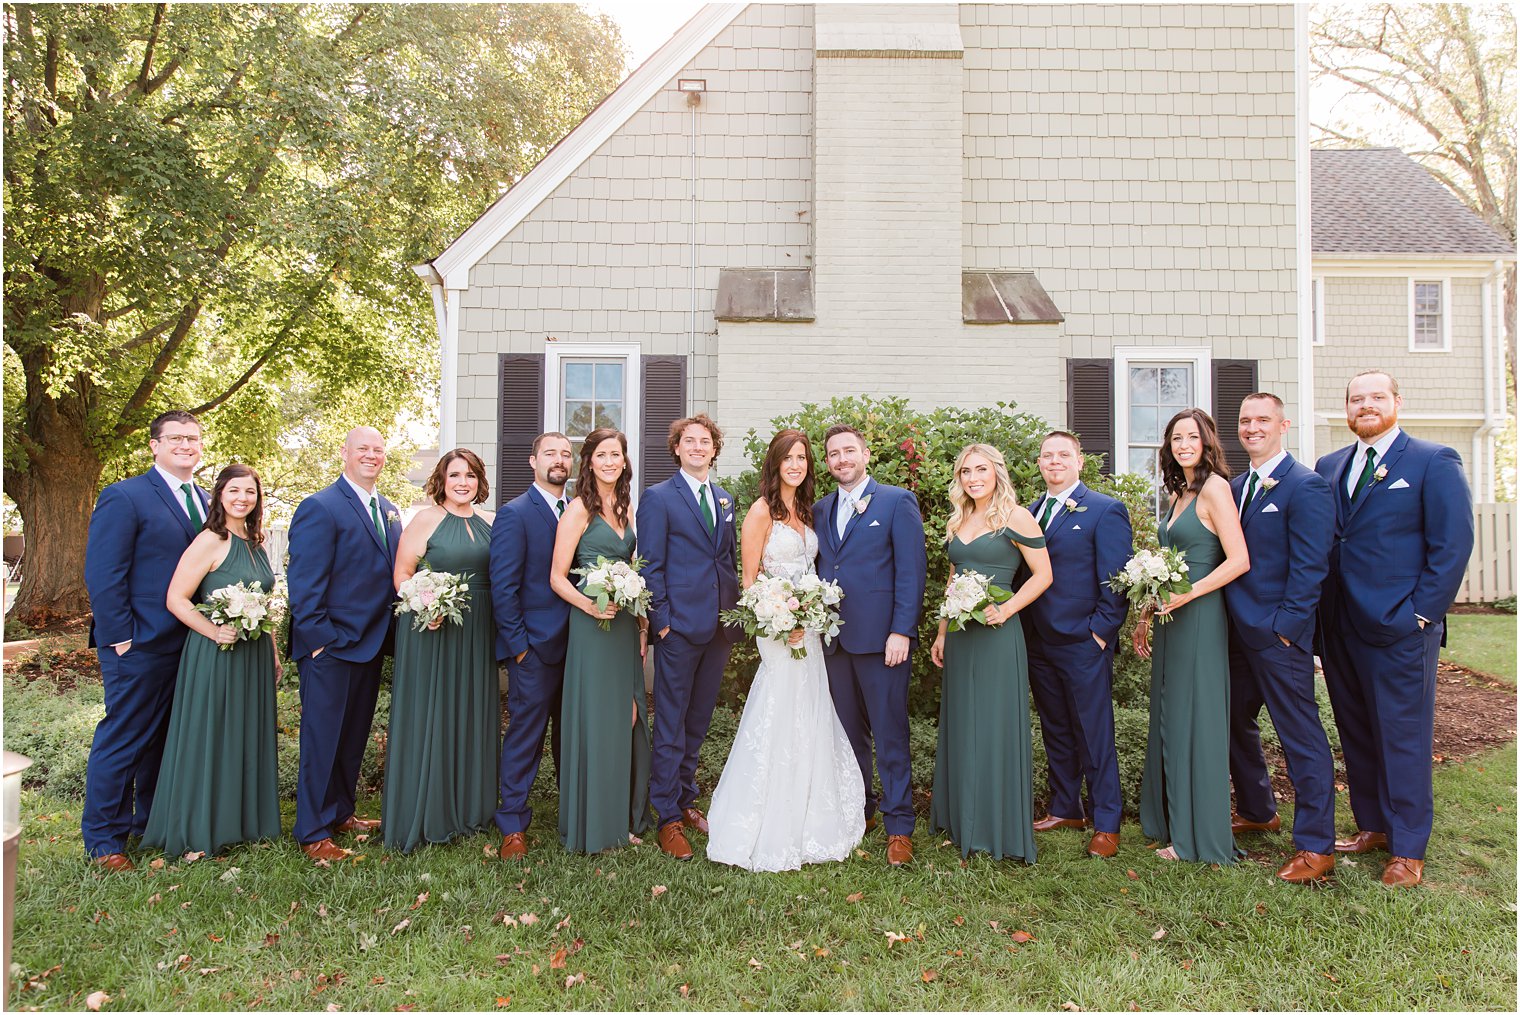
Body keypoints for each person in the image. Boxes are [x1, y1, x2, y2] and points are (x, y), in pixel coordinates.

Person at [1315, 371, 1473, 888]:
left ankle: (1408, 848)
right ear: (1346, 409)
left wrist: (1421, 614)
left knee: (1403, 737)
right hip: (1340, 626)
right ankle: (1374, 827)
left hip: (1402, 627)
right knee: (1357, 732)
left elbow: (1452, 546)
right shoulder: (1331, 465)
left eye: (1376, 397)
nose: (1365, 405)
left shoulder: (1433, 461)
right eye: (1356, 399)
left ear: (1397, 402)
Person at [706, 430, 865, 871]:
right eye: (787, 458)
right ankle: (769, 815)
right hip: (777, 627)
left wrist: (808, 616)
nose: (795, 465)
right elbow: (750, 579)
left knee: (810, 706)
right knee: (780, 706)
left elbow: (813, 569)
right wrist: (781, 620)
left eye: (802, 458)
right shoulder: (761, 512)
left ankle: (811, 811)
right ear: (774, 464)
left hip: (809, 627)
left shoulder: (809, 511)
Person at [82, 410, 211, 871]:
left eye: (193, 439)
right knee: (125, 738)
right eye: (175, 438)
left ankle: (150, 824)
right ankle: (104, 841)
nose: (186, 445)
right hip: (138, 641)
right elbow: (103, 572)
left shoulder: (206, 500)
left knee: (165, 739)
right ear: (154, 446)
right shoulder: (125, 495)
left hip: (192, 643)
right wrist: (120, 638)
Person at [1224, 393, 1338, 883]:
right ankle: (1257, 810)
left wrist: (1288, 630)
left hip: (1277, 636)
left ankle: (1316, 846)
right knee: (1233, 723)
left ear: (1283, 425)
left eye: (1262, 420)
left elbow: (1313, 566)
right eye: (1246, 421)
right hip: (1233, 632)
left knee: (1300, 736)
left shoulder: (1305, 486)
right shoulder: (1232, 487)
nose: (1252, 428)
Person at [142, 464, 280, 857]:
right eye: (234, 490)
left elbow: (262, 602)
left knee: (244, 733)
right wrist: (213, 630)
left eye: (250, 492)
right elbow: (176, 599)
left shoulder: (257, 540)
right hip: (216, 652)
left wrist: (270, 650)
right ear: (219, 495)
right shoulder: (209, 540)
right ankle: (199, 826)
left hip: (252, 652)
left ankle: (241, 822)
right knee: (213, 734)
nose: (242, 498)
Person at [1133, 408, 1249, 864]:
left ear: (1206, 442)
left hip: (1199, 616)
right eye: (1176, 437)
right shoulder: (1180, 492)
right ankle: (1173, 822)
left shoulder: (1216, 488)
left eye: (1191, 436)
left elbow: (1239, 559)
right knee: (1171, 716)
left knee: (1194, 719)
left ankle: (1197, 837)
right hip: (1171, 617)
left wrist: (1187, 597)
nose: (1183, 444)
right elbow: (1166, 563)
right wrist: (1146, 612)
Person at [930, 444, 1052, 862]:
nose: (972, 478)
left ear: (997, 472)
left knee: (994, 724)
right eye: (965, 471)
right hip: (962, 636)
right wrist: (943, 632)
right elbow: (952, 580)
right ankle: (962, 817)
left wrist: (1007, 608)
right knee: (964, 721)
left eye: (981, 469)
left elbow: (1044, 574)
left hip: (998, 634)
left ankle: (995, 824)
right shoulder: (958, 518)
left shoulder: (1015, 516)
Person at [814, 424, 928, 867]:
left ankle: (900, 825)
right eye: (833, 454)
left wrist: (902, 630)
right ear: (828, 463)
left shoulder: (896, 501)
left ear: (865, 455)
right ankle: (860, 811)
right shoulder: (821, 508)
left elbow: (910, 571)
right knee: (848, 734)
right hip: (834, 641)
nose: (841, 459)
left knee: (890, 733)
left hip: (883, 641)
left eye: (849, 451)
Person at [287, 427, 402, 863]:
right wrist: (320, 642)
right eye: (363, 449)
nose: (371, 456)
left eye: (378, 449)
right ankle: (312, 830)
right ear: (345, 453)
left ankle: (341, 812)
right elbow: (305, 584)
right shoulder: (321, 506)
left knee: (352, 736)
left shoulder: (388, 510)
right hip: (331, 647)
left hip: (370, 645)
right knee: (322, 738)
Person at [1021, 431, 1132, 859]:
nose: (1054, 462)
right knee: (1056, 728)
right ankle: (1065, 807)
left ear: (1079, 461)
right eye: (1047, 456)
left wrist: (1101, 631)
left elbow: (1117, 579)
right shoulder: (1030, 512)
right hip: (1038, 640)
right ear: (1038, 462)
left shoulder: (1105, 510)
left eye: (1063, 454)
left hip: (1084, 641)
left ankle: (1107, 821)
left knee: (1094, 731)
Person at [382, 449, 498, 852]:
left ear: (480, 480)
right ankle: (427, 809)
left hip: (478, 629)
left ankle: (469, 809)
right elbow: (402, 573)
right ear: (441, 480)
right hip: (432, 629)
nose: (462, 482)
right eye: (454, 475)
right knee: (433, 713)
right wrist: (424, 604)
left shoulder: (491, 522)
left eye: (470, 475)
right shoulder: (425, 519)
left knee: (469, 712)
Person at [636, 415, 740, 861]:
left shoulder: (723, 497)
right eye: (689, 441)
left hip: (718, 627)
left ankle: (686, 797)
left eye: (705, 441)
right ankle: (667, 816)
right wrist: (662, 622)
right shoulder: (658, 498)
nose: (698, 447)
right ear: (676, 448)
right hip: (678, 627)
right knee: (673, 722)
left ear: (714, 450)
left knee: (698, 721)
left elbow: (727, 559)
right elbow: (650, 563)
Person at [551, 428, 653, 854]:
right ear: (588, 462)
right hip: (592, 626)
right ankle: (596, 823)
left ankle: (623, 816)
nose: (610, 461)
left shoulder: (628, 508)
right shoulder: (578, 510)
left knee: (628, 716)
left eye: (617, 454)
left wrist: (643, 622)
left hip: (626, 624)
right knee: (599, 718)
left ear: (625, 461)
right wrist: (590, 606)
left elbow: (636, 569)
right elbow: (557, 577)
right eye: (602, 455)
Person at [491, 432, 575, 861]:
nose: (559, 460)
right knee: (526, 735)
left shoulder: (581, 510)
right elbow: (502, 588)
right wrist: (520, 647)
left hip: (578, 646)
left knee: (571, 736)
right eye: (550, 454)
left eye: (565, 453)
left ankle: (573, 814)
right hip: (535, 649)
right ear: (532, 460)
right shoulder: (515, 514)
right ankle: (512, 824)